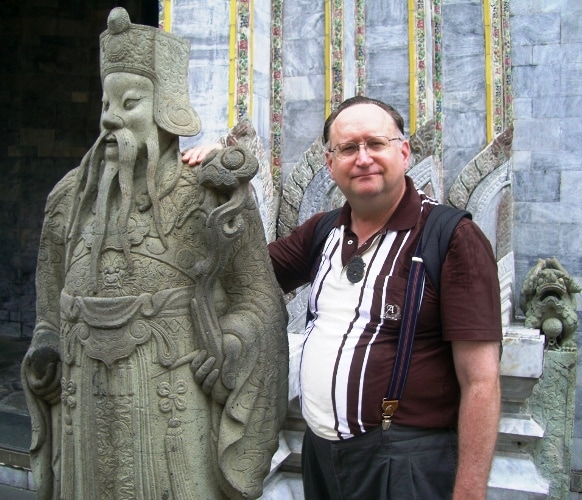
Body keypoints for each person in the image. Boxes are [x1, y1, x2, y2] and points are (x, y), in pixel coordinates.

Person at [21, 8, 288, 500]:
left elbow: (259, 298)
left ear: (166, 107)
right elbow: (49, 303)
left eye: (130, 103)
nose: (109, 118)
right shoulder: (68, 200)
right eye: (106, 103)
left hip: (173, 408)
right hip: (85, 412)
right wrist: (46, 347)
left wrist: (231, 343)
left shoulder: (211, 197)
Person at [184, 95, 502, 499]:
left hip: (404, 461)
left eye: (376, 143)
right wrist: (223, 181)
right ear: (330, 163)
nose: (363, 158)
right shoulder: (324, 232)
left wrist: (469, 493)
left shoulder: (451, 238)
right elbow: (246, 275)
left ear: (403, 152)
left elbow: (481, 381)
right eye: (348, 148)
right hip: (320, 454)